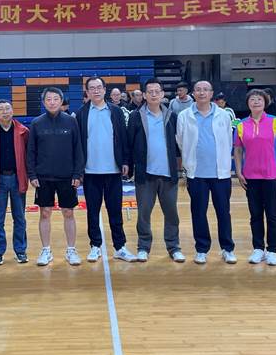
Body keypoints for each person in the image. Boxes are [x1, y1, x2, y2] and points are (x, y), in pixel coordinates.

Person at [76, 77, 137, 263]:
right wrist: (78, 170)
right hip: (90, 172)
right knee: (93, 212)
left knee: (115, 211)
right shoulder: (81, 113)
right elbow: (77, 144)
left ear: (104, 90)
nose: (96, 91)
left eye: (99, 87)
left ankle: (120, 247)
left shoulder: (116, 111)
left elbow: (123, 138)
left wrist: (125, 161)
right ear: (87, 92)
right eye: (92, 88)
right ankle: (95, 246)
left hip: (113, 170)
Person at [177, 80, 236, 265]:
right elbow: (180, 140)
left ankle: (227, 248)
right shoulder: (184, 115)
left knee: (223, 212)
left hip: (220, 174)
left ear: (211, 94)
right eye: (198, 90)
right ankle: (201, 249)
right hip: (196, 174)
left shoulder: (224, 115)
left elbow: (228, 140)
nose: (202, 93)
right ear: (193, 93)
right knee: (198, 212)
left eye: (205, 90)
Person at [127, 78, 184, 263]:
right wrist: (129, 166)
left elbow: (178, 145)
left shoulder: (172, 116)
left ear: (162, 94)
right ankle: (143, 247)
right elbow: (129, 143)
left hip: (168, 174)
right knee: (144, 214)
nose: (153, 94)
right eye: (149, 92)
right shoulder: (136, 116)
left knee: (171, 213)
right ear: (144, 95)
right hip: (145, 174)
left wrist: (180, 168)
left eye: (156, 91)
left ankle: (174, 247)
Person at [26, 87, 84, 267]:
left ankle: (71, 250)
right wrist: (32, 174)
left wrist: (78, 173)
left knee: (68, 212)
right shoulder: (36, 123)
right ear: (44, 102)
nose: (52, 102)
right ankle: (46, 250)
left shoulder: (71, 121)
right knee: (45, 213)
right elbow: (31, 152)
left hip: (67, 176)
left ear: (61, 101)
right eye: (48, 99)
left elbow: (78, 149)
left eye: (55, 99)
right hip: (44, 177)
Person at [234, 89, 276, 266]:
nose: (256, 102)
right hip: (250, 176)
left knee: (272, 214)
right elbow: (238, 150)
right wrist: (239, 172)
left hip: (271, 175)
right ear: (247, 103)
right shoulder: (241, 125)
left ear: (265, 103)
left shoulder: (275, 122)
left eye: (259, 99)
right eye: (252, 99)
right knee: (255, 214)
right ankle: (258, 248)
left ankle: (272, 250)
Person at [0, 100, 30, 266]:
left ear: (12, 111)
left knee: (20, 217)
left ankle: (21, 250)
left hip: (18, 178)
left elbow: (28, 156)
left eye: (7, 108)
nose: (5, 112)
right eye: (1, 109)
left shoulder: (23, 132)